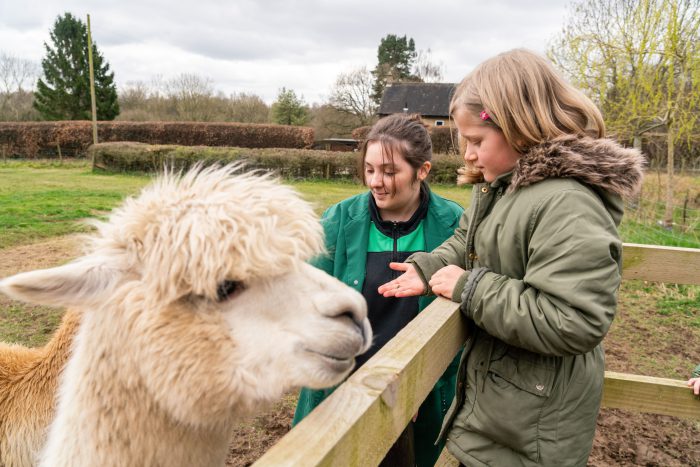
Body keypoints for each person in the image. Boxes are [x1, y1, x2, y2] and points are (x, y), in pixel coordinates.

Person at [378, 49, 645, 466]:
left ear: (520, 128)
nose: (466, 153)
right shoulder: (503, 189)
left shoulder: (567, 203)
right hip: (500, 411)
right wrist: (428, 266)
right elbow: (468, 240)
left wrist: (469, 287)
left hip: (531, 433)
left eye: (476, 141)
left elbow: (572, 319)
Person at [292, 113, 464, 467]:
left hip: (421, 393)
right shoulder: (339, 220)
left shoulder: (453, 225)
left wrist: (417, 385)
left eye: (389, 171)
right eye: (370, 169)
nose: (376, 181)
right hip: (345, 388)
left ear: (423, 170)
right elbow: (307, 303)